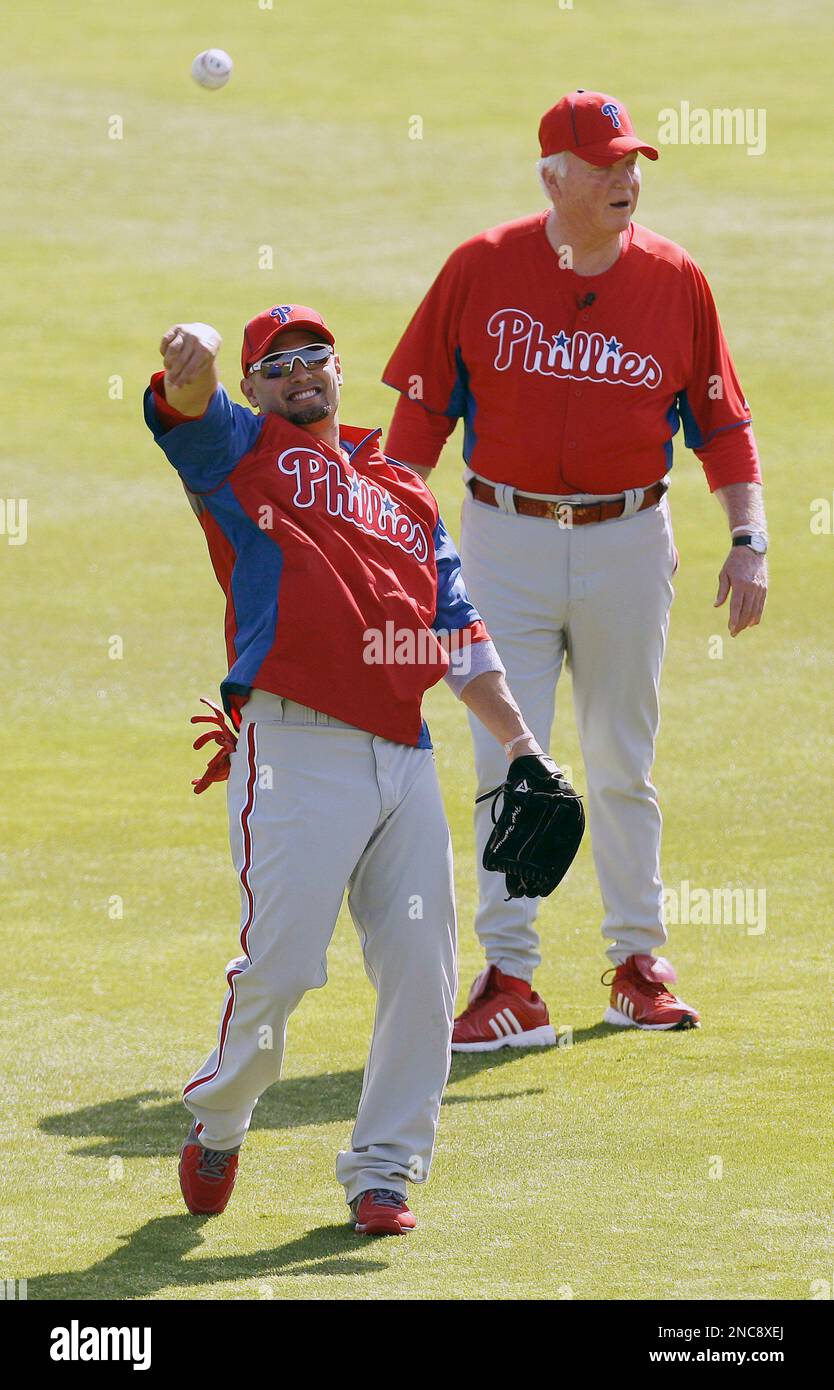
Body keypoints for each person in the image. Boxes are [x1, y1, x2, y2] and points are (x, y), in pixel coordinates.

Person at [142, 303, 566, 1233]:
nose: (301, 374)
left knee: (422, 968)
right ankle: (220, 1117)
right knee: (284, 966)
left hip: (403, 755)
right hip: (296, 749)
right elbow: (185, 408)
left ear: (340, 371)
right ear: (253, 387)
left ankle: (384, 1169)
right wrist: (197, 360)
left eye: (316, 358)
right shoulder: (240, 453)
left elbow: (460, 631)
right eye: (277, 364)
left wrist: (524, 746)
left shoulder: (404, 491)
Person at [382, 90, 769, 1047]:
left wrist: (750, 538)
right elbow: (420, 419)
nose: (624, 179)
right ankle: (510, 977)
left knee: (622, 757)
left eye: (632, 163)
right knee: (506, 756)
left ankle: (638, 963)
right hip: (502, 537)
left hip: (629, 537)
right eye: (603, 165)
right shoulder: (481, 266)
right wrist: (390, 540)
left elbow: (720, 419)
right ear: (552, 176)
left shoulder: (676, 278)